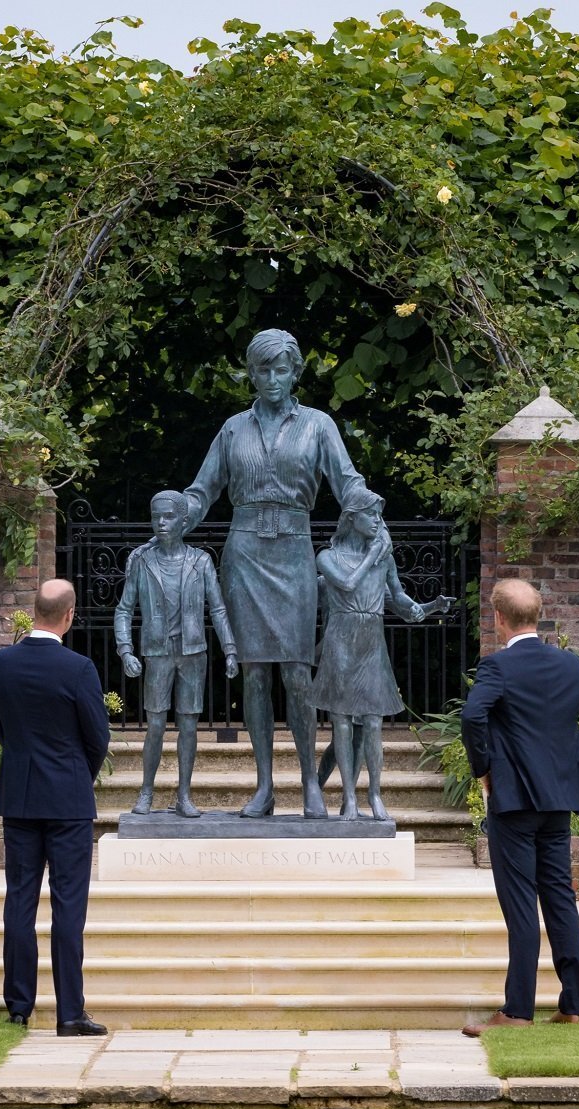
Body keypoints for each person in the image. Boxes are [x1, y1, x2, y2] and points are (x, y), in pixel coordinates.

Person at [180, 328, 368, 819]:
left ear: (295, 371)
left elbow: (347, 483)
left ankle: (309, 781)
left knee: (297, 673)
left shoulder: (319, 426)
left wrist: (371, 513)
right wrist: (179, 513)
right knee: (255, 673)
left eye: (280, 369)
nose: (271, 378)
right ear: (251, 374)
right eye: (262, 369)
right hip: (244, 555)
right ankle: (264, 786)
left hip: (294, 553)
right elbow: (203, 490)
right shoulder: (233, 429)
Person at [459, 578, 579, 1037]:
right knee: (559, 899)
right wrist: (575, 759)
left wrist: (485, 769)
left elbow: (473, 716)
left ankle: (517, 1011)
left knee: (521, 905)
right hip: (557, 803)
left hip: (513, 803)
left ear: (499, 619)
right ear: (538, 614)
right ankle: (572, 1005)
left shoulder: (497, 668)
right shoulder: (569, 664)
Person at [0, 578, 111, 1037]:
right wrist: (78, 773)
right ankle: (70, 1014)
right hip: (69, 801)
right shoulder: (78, 669)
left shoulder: (0, 664)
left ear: (33, 610)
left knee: (19, 900)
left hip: (20, 797)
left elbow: (3, 730)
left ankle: (19, 1005)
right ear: (69, 616)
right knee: (68, 906)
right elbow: (98, 738)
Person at [312, 487, 453, 819]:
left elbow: (400, 600)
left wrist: (429, 607)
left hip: (371, 640)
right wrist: (374, 554)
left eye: (379, 515)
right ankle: (348, 798)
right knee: (342, 723)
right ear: (351, 518)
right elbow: (346, 584)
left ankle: (375, 794)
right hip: (341, 640)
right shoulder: (327, 556)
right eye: (370, 515)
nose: (377, 521)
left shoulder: (383, 558)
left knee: (374, 721)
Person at [114, 489, 240, 817]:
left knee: (188, 725)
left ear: (184, 521)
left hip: (192, 652)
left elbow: (219, 609)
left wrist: (229, 649)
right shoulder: (142, 561)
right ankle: (146, 791)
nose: (161, 523)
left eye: (168, 516)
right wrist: (126, 650)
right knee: (155, 725)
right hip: (157, 653)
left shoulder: (200, 561)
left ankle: (184, 795)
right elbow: (124, 610)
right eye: (156, 517)